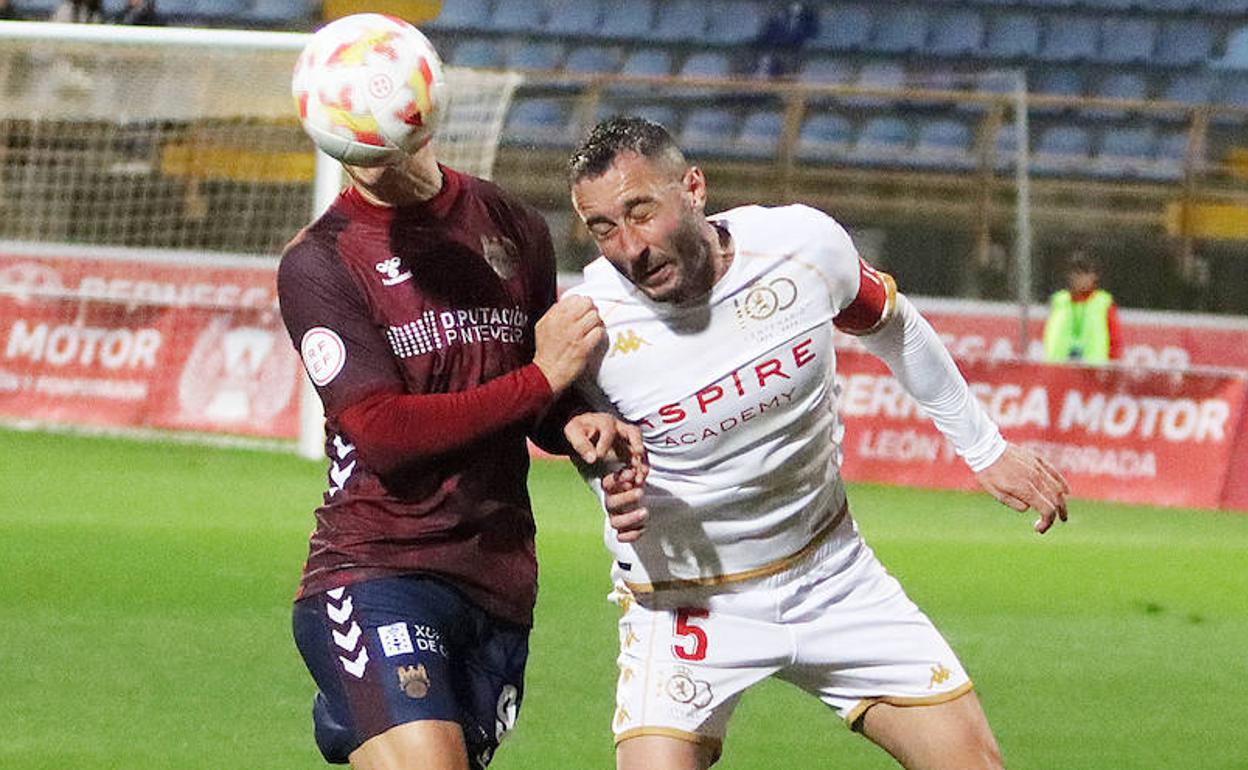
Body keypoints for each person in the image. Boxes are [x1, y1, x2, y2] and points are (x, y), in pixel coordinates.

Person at [564, 116, 1070, 770]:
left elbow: (896, 326)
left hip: (830, 575)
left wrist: (985, 449)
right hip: (685, 601)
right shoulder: (588, 319)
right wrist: (595, 463)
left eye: (641, 211)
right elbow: (550, 412)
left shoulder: (801, 245)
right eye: (603, 227)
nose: (628, 245)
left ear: (693, 188)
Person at [277, 28, 645, 770]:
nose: (370, 169)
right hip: (376, 565)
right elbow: (382, 433)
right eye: (355, 155)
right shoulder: (320, 262)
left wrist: (580, 421)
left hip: (498, 576)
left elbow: (532, 392)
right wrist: (544, 378)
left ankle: (353, 712)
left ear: (425, 123)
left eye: (382, 151)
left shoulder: (509, 224)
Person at [1043, 250, 1120, 364]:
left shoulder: (1103, 303)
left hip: (1092, 374)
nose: (1079, 278)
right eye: (1076, 272)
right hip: (1059, 372)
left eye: (1085, 273)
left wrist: (1111, 372)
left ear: (1094, 276)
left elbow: (1115, 341)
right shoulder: (1058, 301)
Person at [755, 1, 818, 78]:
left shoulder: (809, 19)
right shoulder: (776, 18)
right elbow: (765, 38)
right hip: (775, 60)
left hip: (797, 60)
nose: (794, 7)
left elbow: (812, 39)